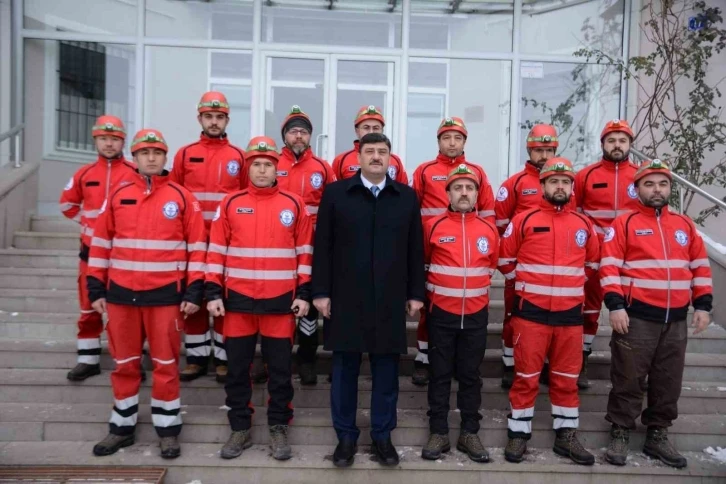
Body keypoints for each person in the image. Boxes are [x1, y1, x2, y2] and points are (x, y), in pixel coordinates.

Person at [87, 129, 207, 459]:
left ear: (165, 157)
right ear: (135, 158)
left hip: (165, 297)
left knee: (166, 365)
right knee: (124, 365)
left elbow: (198, 248)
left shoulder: (183, 198)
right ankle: (120, 428)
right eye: (144, 153)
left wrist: (194, 289)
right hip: (121, 296)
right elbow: (100, 244)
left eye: (157, 152)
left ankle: (167, 430)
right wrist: (95, 285)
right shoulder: (118, 195)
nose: (151, 158)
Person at [312, 132, 425, 468]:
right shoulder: (335, 195)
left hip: (389, 297)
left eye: (383, 152)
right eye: (370, 151)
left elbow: (415, 249)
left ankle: (381, 436)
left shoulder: (405, 197)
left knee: (386, 370)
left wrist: (416, 293)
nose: (376, 157)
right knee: (345, 370)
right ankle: (345, 437)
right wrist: (320, 292)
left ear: (391, 158)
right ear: (358, 157)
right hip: (345, 297)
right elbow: (323, 247)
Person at [599, 159, 713, 468]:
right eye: (649, 184)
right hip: (636, 317)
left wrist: (702, 305)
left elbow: (700, 267)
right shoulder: (624, 223)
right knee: (628, 377)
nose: (656, 189)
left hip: (675, 319)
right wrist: (616, 306)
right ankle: (621, 430)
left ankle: (657, 434)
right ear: (637, 189)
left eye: (662, 183)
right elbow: (608, 266)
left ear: (670, 189)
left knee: (668, 380)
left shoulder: (684, 225)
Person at [206, 136, 313, 461]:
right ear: (248, 168)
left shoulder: (294, 205)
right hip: (237, 303)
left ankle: (279, 426)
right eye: (257, 164)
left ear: (276, 168)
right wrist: (212, 291)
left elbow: (305, 253)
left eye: (268, 164)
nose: (262, 169)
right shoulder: (229, 203)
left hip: (280, 304)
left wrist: (305, 292)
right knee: (237, 370)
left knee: (280, 371)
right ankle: (240, 427)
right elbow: (216, 252)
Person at [498, 157, 600, 466]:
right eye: (553, 181)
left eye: (565, 182)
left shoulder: (584, 224)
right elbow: (505, 261)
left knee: (566, 379)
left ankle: (565, 436)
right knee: (526, 377)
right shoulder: (524, 220)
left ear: (572, 188)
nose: (560, 186)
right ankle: (518, 434)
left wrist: (567, 289)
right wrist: (530, 287)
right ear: (541, 186)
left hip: (569, 317)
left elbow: (592, 265)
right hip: (531, 315)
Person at [421, 164, 499, 463]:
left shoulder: (489, 229)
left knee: (470, 376)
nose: (464, 192)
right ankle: (439, 432)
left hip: (477, 314)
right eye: (458, 188)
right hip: (442, 313)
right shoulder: (434, 227)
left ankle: (469, 433)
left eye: (469, 188)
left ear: (477, 193)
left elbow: (490, 265)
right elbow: (425, 263)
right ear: (449, 194)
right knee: (439, 375)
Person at [410, 116, 495, 386]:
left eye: (457, 138)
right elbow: (414, 210)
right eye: (446, 137)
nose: (452, 142)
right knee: (430, 309)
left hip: (468, 249)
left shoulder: (477, 172)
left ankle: (455, 362)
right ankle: (424, 358)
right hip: (433, 248)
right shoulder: (424, 170)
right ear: (438, 141)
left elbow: (489, 214)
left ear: (464, 142)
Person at [170, 91, 247, 383]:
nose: (214, 122)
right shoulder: (185, 154)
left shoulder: (238, 157)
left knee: (223, 299)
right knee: (195, 299)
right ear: (200, 118)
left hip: (226, 241)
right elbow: (174, 195)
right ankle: (197, 358)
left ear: (227, 119)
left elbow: (243, 198)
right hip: (192, 240)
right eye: (208, 117)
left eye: (219, 117)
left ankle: (223, 359)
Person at [59, 115, 137, 382]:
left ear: (122, 141)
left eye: (114, 139)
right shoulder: (84, 174)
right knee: (88, 307)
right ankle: (88, 359)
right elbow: (66, 205)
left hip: (121, 256)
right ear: (95, 140)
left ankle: (125, 361)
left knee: (121, 312)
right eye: (104, 138)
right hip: (90, 254)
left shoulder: (133, 172)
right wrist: (90, 224)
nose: (108, 143)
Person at [574, 119, 639, 389]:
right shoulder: (586, 176)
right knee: (588, 310)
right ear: (602, 144)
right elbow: (574, 216)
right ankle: (581, 360)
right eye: (611, 140)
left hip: (630, 257)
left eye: (622, 141)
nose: (617, 145)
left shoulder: (640, 175)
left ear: (630, 145)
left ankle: (634, 367)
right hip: (593, 256)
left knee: (633, 312)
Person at [494, 124, 559, 389]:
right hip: (522, 270)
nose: (543, 156)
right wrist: (511, 268)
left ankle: (544, 364)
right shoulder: (514, 184)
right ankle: (510, 363)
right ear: (529, 151)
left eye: (548, 150)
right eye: (538, 150)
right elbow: (499, 226)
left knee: (550, 321)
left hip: (555, 272)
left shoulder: (564, 184)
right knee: (514, 317)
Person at [276, 105, 335, 385]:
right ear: (284, 136)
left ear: (310, 136)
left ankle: (307, 358)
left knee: (310, 303)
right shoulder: (272, 163)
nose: (298, 136)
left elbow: (334, 206)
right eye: (293, 131)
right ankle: (276, 357)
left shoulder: (323, 168)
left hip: (313, 247)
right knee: (279, 303)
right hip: (278, 247)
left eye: (303, 132)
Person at [331, 105, 408, 184]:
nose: (371, 132)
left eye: (376, 128)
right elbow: (335, 191)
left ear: (382, 130)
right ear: (357, 131)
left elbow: (403, 192)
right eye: (366, 128)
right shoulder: (341, 160)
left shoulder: (395, 161)